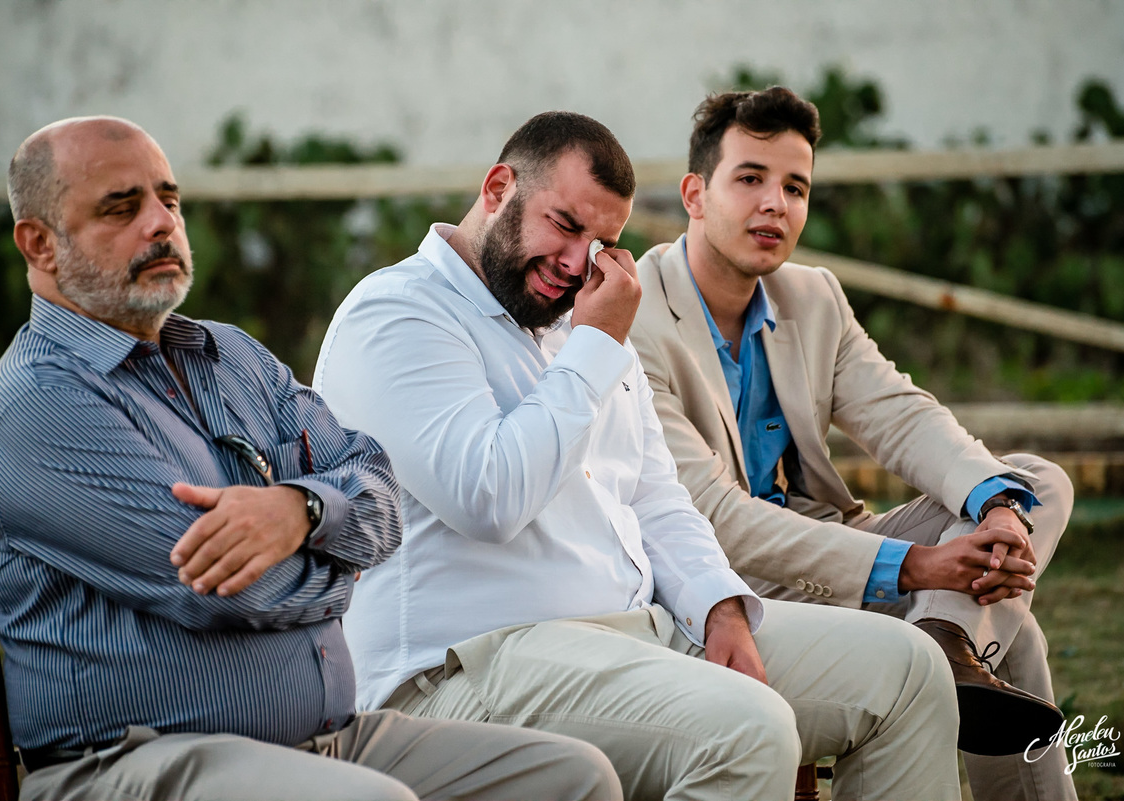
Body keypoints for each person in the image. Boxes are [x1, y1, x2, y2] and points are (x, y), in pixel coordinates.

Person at [0, 116, 622, 801]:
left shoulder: (230, 355)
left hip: (327, 737)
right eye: (121, 208)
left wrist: (301, 511)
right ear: (39, 243)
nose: (160, 223)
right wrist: (345, 566)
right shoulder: (38, 404)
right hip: (133, 762)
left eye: (170, 199)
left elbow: (379, 489)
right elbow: (227, 589)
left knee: (574, 778)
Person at [315, 110, 962, 801]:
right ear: (499, 187)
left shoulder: (582, 324)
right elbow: (489, 497)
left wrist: (719, 607)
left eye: (602, 243)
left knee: (910, 670)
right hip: (470, 666)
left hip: (639, 634)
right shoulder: (398, 313)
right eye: (565, 225)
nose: (575, 263)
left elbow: (655, 495)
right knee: (748, 730)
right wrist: (595, 346)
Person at [626, 88, 1075, 801]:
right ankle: (947, 641)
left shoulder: (814, 296)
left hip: (830, 548)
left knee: (1032, 481)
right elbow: (711, 515)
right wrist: (918, 566)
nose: (775, 203)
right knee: (1013, 635)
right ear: (694, 193)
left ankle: (944, 640)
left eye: (795, 186)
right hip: (717, 582)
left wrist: (993, 512)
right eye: (750, 178)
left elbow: (902, 416)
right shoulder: (639, 313)